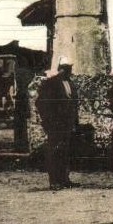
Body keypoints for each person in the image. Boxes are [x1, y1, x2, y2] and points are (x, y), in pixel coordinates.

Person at [35, 56, 79, 190]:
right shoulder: (51, 83)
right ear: (61, 69)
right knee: (54, 151)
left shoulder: (70, 84)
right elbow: (40, 103)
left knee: (65, 152)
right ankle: (54, 181)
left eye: (70, 68)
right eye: (66, 68)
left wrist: (74, 122)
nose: (69, 71)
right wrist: (48, 120)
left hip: (67, 124)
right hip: (55, 125)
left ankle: (64, 179)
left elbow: (73, 104)